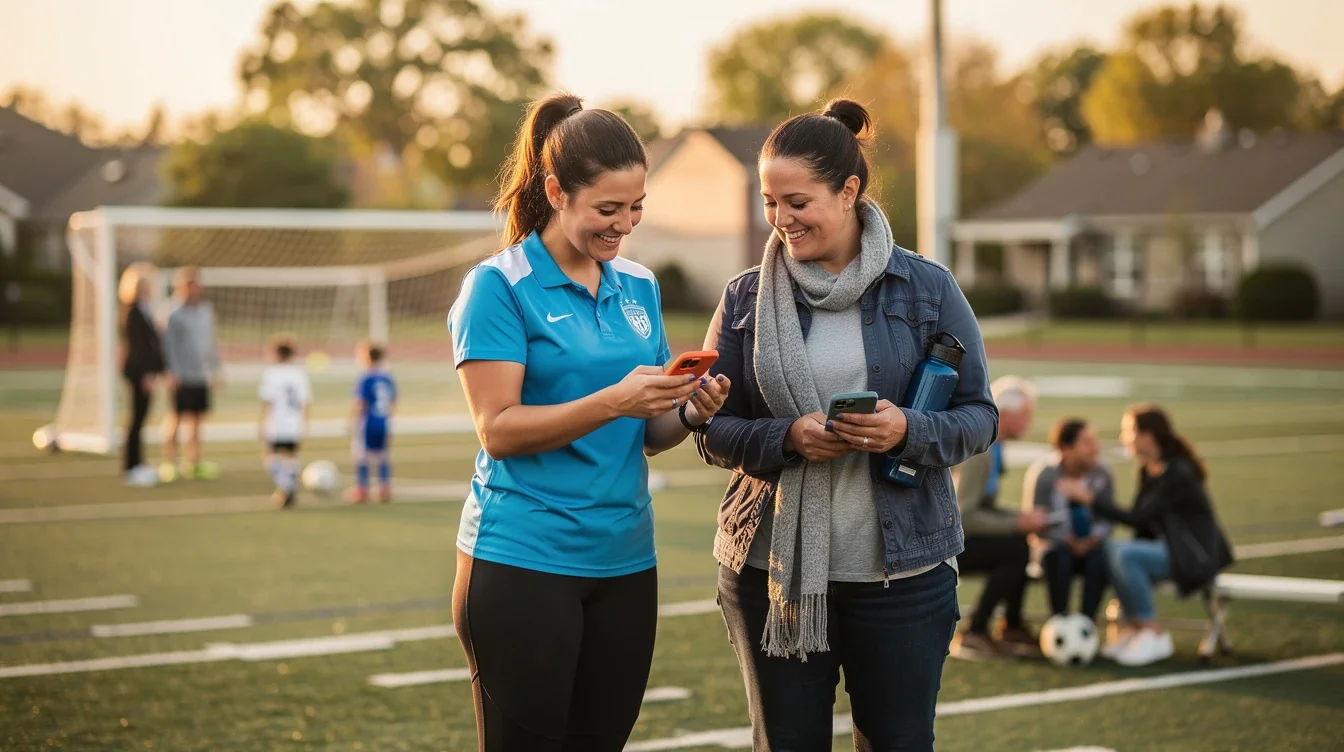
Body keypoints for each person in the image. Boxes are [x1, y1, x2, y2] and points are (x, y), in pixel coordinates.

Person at [696, 99, 996, 751]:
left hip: (901, 581)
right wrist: (786, 439)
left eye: (796, 201)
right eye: (769, 201)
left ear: (849, 190)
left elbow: (980, 417)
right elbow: (711, 431)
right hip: (773, 576)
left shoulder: (927, 288)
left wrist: (908, 431)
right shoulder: (745, 296)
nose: (780, 219)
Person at [446, 93, 731, 752]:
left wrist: (689, 411)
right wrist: (615, 400)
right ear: (556, 192)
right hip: (523, 561)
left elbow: (648, 434)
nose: (623, 225)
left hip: (626, 560)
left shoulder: (639, 285)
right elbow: (499, 429)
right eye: (607, 209)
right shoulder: (497, 286)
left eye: (635, 208)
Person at [1077, 404, 1233, 667]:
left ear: (1147, 436)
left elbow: (1139, 518)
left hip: (1194, 558)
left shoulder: (1177, 472)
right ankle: (1135, 629)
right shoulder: (1149, 469)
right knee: (1112, 549)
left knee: (1125, 554)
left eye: (1128, 431)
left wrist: (1091, 500)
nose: (1123, 438)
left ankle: (1152, 631)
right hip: (1169, 552)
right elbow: (1140, 521)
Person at [951, 375, 1048, 659]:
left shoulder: (995, 447)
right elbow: (964, 516)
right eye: (1026, 415)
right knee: (1016, 548)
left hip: (964, 539)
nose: (1029, 422)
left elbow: (985, 507)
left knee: (1017, 542)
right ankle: (976, 631)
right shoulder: (981, 451)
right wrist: (1017, 523)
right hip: (946, 545)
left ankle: (1011, 625)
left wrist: (1022, 519)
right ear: (1004, 414)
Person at [1023, 417, 1113, 623]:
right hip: (1056, 547)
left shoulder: (1102, 473)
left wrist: (1091, 538)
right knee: (1058, 555)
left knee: (1099, 558)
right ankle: (1059, 621)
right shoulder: (1045, 474)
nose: (1095, 448)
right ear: (1065, 448)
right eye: (1087, 442)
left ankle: (1086, 624)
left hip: (1092, 546)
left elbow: (1109, 519)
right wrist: (1066, 538)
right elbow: (1036, 522)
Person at [160, 266, 222, 482]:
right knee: (175, 419)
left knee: (196, 422)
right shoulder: (172, 312)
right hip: (181, 375)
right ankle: (169, 462)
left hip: (200, 375)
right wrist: (170, 372)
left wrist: (216, 370)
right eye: (189, 286)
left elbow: (210, 344)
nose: (194, 290)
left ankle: (193, 462)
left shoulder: (206, 311)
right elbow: (166, 346)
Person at [118, 262, 164, 487]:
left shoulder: (145, 309)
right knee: (136, 419)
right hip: (138, 373)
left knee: (141, 419)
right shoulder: (133, 311)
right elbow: (139, 347)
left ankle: (139, 463)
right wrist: (147, 373)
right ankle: (131, 466)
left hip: (146, 373)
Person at [257, 335, 311, 508]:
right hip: (294, 422)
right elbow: (305, 402)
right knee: (290, 458)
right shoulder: (299, 374)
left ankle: (286, 487)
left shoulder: (272, 374)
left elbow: (267, 400)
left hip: (277, 423)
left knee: (270, 457)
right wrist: (305, 424)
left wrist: (261, 422)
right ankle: (287, 489)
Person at [347, 340, 396, 504]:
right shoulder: (387, 377)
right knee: (382, 455)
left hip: (367, 421)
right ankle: (384, 488)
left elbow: (361, 402)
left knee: (362, 456)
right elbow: (392, 402)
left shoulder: (366, 378)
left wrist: (351, 421)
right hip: (383, 420)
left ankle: (362, 489)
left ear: (367, 357)